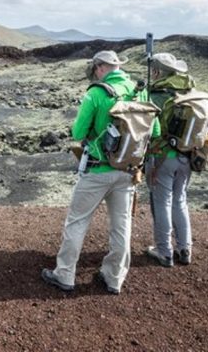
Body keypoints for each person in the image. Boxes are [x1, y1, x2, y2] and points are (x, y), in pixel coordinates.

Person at [41, 50, 143, 295]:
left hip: (98, 169)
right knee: (121, 225)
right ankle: (113, 278)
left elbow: (78, 133)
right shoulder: (140, 92)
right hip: (128, 170)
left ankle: (64, 274)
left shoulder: (96, 93)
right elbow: (155, 131)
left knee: (77, 221)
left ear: (99, 68)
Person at [144, 52, 195, 267]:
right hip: (187, 156)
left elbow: (149, 129)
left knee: (162, 201)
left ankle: (164, 251)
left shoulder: (156, 96)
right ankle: (185, 249)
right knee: (180, 200)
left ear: (156, 72)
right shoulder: (189, 91)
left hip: (161, 157)